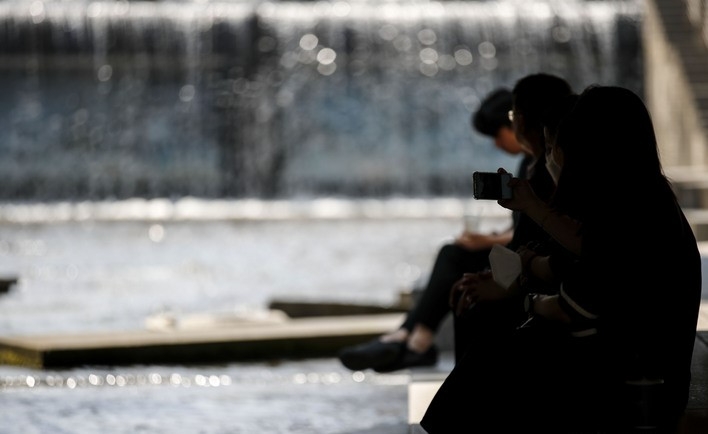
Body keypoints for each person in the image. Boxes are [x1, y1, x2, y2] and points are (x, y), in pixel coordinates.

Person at [419, 85, 702, 433]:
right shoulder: (643, 197)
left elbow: (581, 301)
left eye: (561, 145)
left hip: (635, 379)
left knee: (491, 364)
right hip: (638, 362)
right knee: (491, 358)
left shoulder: (631, 211)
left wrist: (528, 298)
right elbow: (592, 257)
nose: (556, 155)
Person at [338, 74, 573, 372]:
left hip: (537, 272)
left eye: (512, 118)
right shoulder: (535, 164)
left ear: (521, 122)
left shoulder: (547, 167)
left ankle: (413, 340)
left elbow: (553, 238)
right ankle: (414, 338)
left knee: (463, 276)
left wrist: (511, 273)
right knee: (455, 258)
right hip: (531, 265)